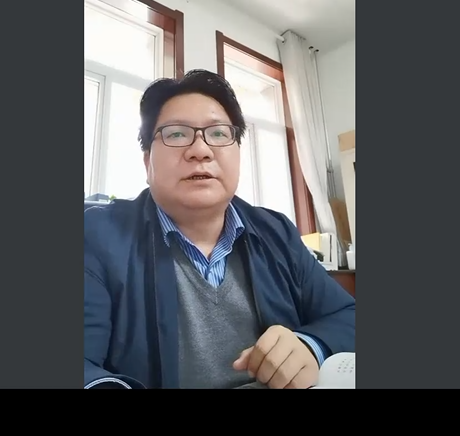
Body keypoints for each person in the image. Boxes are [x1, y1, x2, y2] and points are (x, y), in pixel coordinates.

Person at [84, 70, 355, 389]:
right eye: (176, 134)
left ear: (238, 153)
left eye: (218, 133)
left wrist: (310, 345)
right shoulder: (97, 234)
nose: (200, 150)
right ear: (147, 163)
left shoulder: (276, 231)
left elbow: (348, 315)